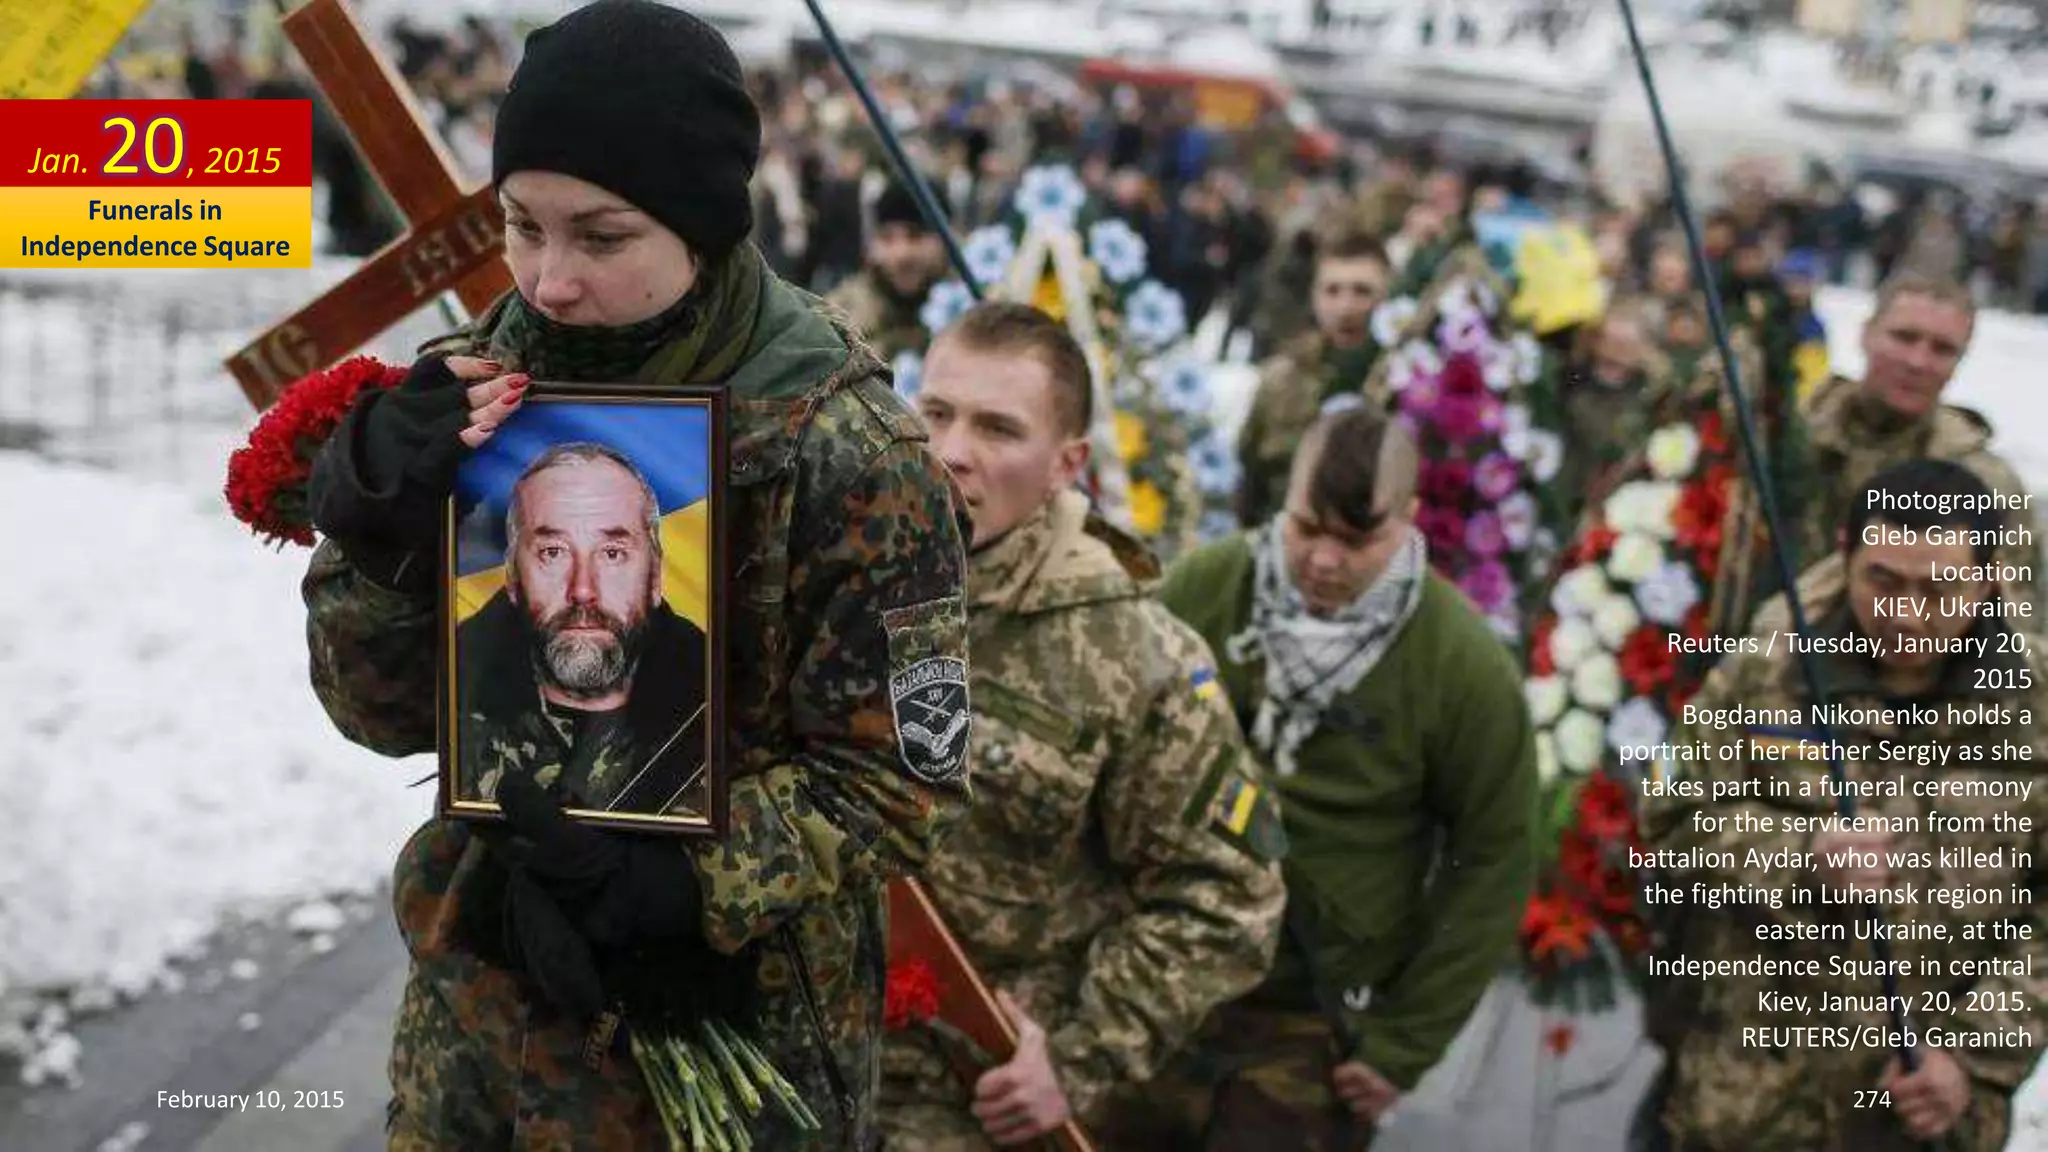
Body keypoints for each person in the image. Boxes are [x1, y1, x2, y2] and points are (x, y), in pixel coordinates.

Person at [296, 2, 972, 1147]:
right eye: (521, 226)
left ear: (700, 227)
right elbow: (382, 717)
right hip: (481, 1038)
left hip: (732, 1051)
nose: (549, 280)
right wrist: (381, 543)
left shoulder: (845, 447)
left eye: (601, 237)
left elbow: (904, 783)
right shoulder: (468, 392)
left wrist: (683, 881)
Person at [881, 302, 1288, 1149]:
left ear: (1067, 463)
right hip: (779, 1067)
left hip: (959, 1102)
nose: (954, 451)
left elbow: (1230, 897)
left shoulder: (1136, 657)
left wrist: (1074, 1059)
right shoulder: (834, 577)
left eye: (998, 428)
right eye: (937, 413)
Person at [1107, 405, 1537, 1149]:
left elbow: (1496, 857)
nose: (1324, 562)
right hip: (1156, 975)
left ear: (1408, 520)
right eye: (1307, 527)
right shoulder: (1209, 589)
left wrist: (1404, 1044)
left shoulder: (1461, 663)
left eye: (1357, 539)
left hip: (1314, 1015)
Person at [1643, 459, 2048, 1152]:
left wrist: (1973, 1054)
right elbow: (1674, 818)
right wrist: (1797, 858)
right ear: (1845, 552)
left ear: (1988, 581)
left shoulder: (2034, 707)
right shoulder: (1767, 666)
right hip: (1747, 1102)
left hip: (1923, 1115)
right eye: (1882, 582)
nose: (1907, 616)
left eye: (1939, 590)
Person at [455, 442, 709, 818]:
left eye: (612, 553)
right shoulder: (460, 674)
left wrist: (690, 868)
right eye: (553, 552)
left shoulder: (724, 697)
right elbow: (375, 711)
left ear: (655, 576)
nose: (584, 590)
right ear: (511, 578)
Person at [1799, 272, 2042, 611]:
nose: (1917, 362)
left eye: (1942, 349)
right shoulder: (1788, 439)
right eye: (1904, 337)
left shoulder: (1988, 487)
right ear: (1866, 334)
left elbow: (2017, 626)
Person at [1235, 228, 1391, 528]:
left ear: (1386, 296)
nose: (1345, 307)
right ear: (1314, 295)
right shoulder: (1282, 378)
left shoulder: (1405, 379)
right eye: (1332, 291)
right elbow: (1251, 478)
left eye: (1362, 291)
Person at [826, 180, 947, 363]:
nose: (901, 254)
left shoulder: (970, 308)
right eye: (887, 238)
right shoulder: (841, 316)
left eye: (915, 235)